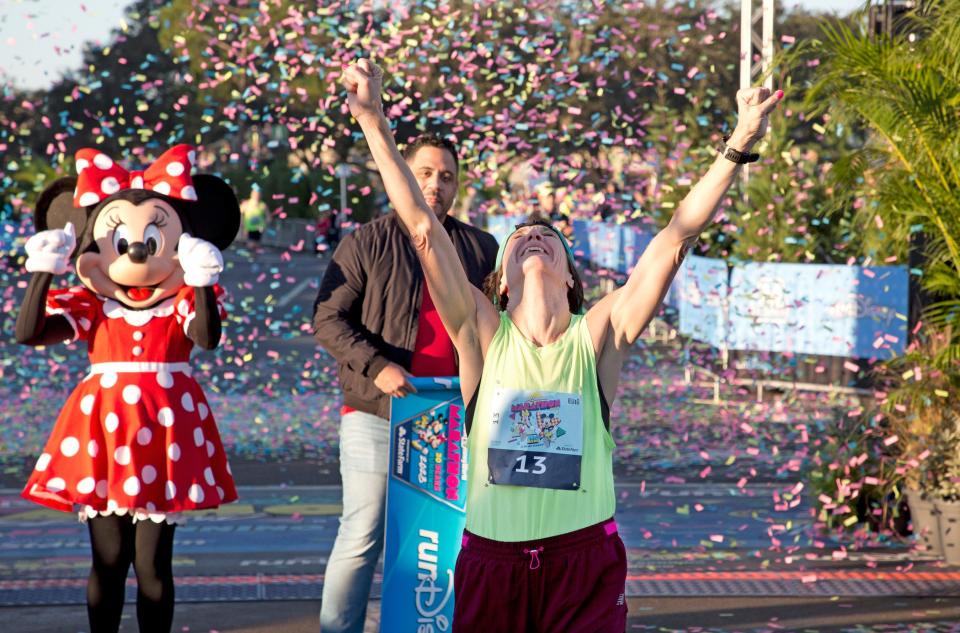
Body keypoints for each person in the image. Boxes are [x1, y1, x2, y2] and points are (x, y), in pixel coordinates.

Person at [340, 59, 782, 632]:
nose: (533, 237)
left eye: (548, 237)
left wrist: (738, 144)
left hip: (584, 563)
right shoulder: (480, 332)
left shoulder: (599, 333)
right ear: (497, 281)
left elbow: (676, 237)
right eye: (520, 237)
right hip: (491, 563)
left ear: (572, 277)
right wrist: (374, 121)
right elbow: (423, 226)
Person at [15, 144, 241, 633]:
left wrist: (201, 282)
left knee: (154, 565)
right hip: (104, 435)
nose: (137, 250)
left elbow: (206, 337)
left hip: (164, 433)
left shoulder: (182, 298)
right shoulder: (93, 303)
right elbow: (28, 333)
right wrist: (40, 274)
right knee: (109, 559)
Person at [312, 132, 499, 633]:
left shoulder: (481, 248)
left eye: (447, 176)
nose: (436, 185)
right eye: (424, 173)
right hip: (377, 411)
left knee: (450, 537)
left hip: (455, 418)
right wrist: (378, 366)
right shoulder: (367, 241)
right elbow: (328, 319)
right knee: (363, 532)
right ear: (400, 175)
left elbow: (503, 329)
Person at [240, 184, 267, 248]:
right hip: (248, 229)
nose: (256, 196)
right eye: (255, 194)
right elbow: (240, 213)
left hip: (259, 229)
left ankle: (253, 257)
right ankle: (251, 256)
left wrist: (264, 225)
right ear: (252, 194)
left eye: (258, 194)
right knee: (250, 245)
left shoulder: (263, 205)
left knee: (256, 246)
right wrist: (242, 224)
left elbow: (269, 218)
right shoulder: (246, 204)